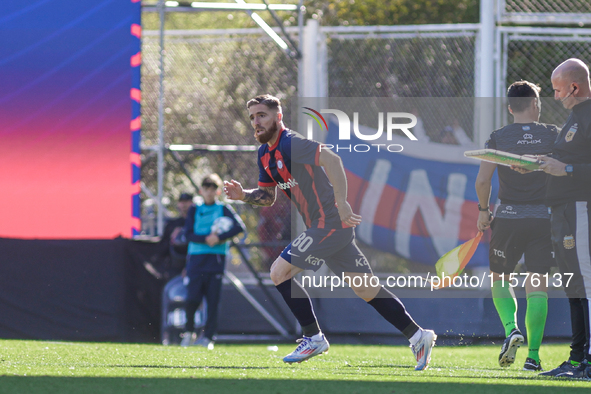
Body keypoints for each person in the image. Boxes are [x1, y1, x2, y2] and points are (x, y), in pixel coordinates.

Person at [224, 94, 436, 370]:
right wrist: (243, 195)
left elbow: (333, 160)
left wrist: (342, 202)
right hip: (326, 228)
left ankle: (313, 337)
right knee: (366, 288)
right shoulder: (264, 154)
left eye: (262, 115)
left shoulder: (291, 143)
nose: (256, 122)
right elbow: (267, 196)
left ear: (278, 117)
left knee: (279, 272)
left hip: (329, 224)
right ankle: (418, 336)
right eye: (252, 117)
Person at [475, 80, 558, 371]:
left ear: (510, 108)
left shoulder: (499, 136)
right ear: (536, 104)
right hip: (543, 219)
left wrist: (483, 211)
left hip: (508, 218)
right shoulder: (553, 135)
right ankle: (533, 357)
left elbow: (483, 180)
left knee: (500, 279)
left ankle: (511, 329)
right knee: (537, 285)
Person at [533, 58, 591, 379]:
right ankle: (578, 359)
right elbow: (567, 158)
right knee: (574, 285)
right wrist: (538, 163)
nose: (555, 96)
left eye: (558, 90)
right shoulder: (574, 118)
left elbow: (573, 166)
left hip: (581, 208)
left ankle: (589, 361)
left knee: (586, 281)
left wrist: (565, 169)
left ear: (574, 87)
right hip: (564, 209)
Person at [180, 174, 245, 349]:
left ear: (217, 191)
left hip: (215, 260)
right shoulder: (195, 209)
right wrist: (206, 239)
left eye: (212, 189)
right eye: (206, 189)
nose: (209, 192)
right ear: (201, 191)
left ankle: (208, 338)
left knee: (212, 299)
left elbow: (240, 227)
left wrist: (220, 238)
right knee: (192, 298)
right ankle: (188, 332)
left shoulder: (223, 209)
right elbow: (188, 234)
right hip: (196, 259)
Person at [146, 193, 194, 280]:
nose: (184, 205)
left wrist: (183, 231)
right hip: (175, 265)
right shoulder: (172, 224)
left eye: (187, 202)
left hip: (192, 263)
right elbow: (163, 245)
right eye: (182, 202)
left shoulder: (197, 223)